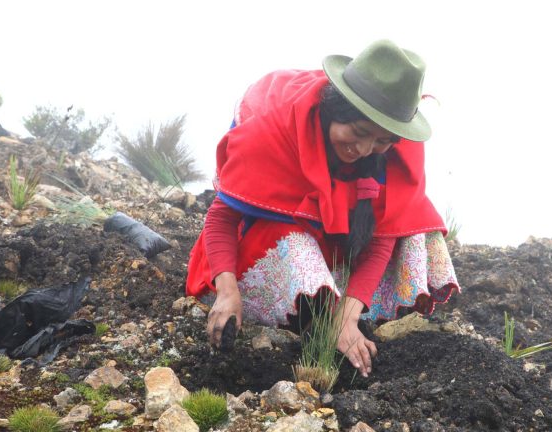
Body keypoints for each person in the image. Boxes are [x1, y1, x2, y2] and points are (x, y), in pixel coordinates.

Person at [186, 39, 459, 378]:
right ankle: (311, 317)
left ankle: (344, 316)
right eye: (358, 132)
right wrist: (227, 292)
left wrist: (347, 318)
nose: (364, 149)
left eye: (380, 141)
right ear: (333, 109)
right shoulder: (276, 128)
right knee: (297, 245)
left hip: (333, 254)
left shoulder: (395, 151)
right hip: (265, 248)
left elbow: (383, 237)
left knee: (416, 230)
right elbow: (221, 218)